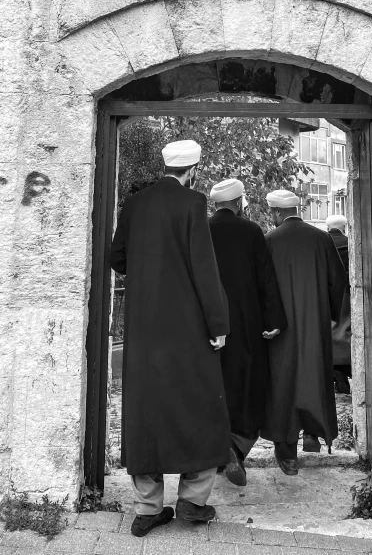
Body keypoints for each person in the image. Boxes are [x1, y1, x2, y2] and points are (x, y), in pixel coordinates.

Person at [111, 139, 230, 537]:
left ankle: (147, 509)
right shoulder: (193, 204)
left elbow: (117, 258)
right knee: (200, 407)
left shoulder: (135, 205)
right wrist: (218, 325)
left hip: (144, 329)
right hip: (187, 329)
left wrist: (146, 273)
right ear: (192, 170)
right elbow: (204, 269)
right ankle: (193, 503)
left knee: (146, 409)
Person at [262, 189, 347, 475]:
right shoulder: (321, 238)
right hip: (315, 323)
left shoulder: (270, 241)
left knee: (282, 382)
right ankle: (312, 434)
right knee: (313, 376)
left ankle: (286, 453)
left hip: (280, 326)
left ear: (275, 212)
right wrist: (330, 316)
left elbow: (261, 286)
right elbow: (338, 283)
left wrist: (265, 321)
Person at [208, 178, 287, 487]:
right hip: (246, 324)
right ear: (240, 202)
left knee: (215, 384)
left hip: (209, 324)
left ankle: (218, 448)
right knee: (250, 386)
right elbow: (265, 279)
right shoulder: (252, 231)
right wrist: (274, 320)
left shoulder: (201, 229)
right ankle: (236, 447)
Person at [326, 214, 352, 395]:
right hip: (349, 294)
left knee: (331, 331)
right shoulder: (351, 243)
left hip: (329, 295)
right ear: (344, 227)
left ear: (328, 228)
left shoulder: (323, 244)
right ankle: (346, 369)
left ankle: (335, 370)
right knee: (347, 331)